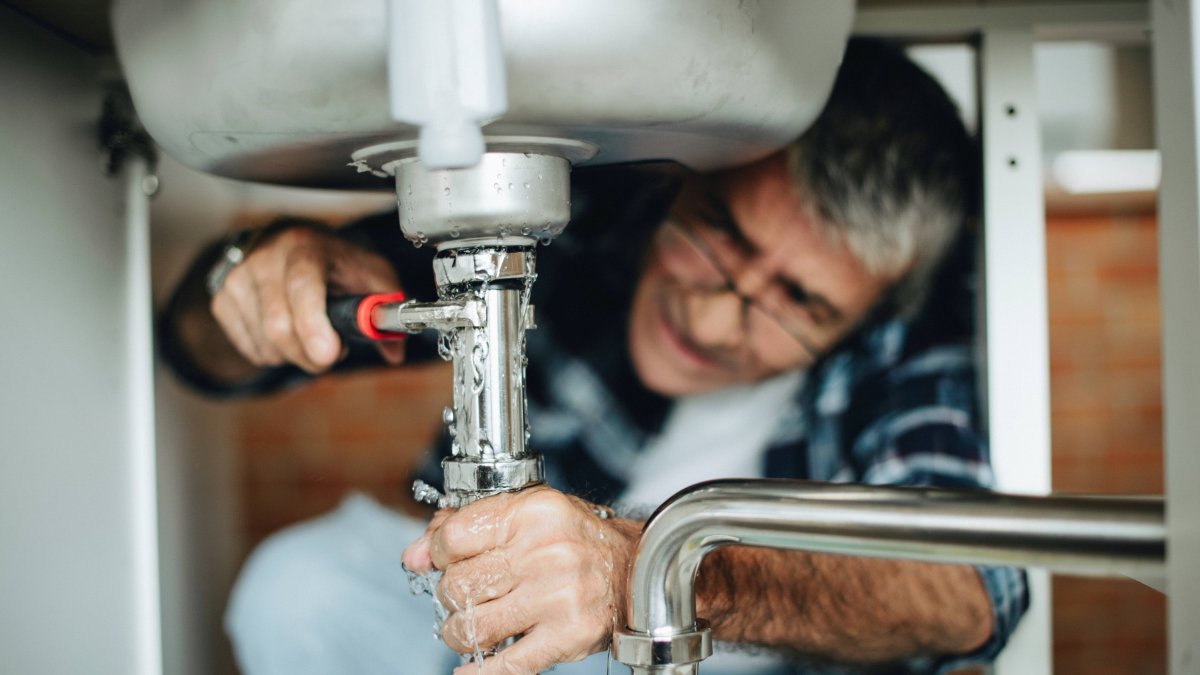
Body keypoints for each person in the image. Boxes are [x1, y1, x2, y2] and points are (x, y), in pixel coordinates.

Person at [159, 39, 1028, 675]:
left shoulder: (907, 331)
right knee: (294, 589)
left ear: (866, 314)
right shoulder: (593, 215)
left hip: (716, 641)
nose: (718, 316)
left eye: (799, 303)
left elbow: (967, 590)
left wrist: (649, 570)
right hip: (448, 602)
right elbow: (202, 352)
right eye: (720, 233)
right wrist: (257, 277)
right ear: (686, 180)